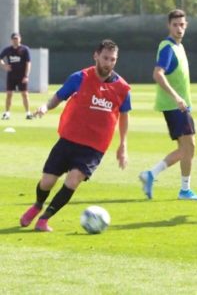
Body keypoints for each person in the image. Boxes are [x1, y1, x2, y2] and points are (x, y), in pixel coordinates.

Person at [19, 39, 131, 232]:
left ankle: (44, 219)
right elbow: (58, 96)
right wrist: (45, 107)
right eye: (105, 58)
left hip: (94, 147)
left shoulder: (122, 89)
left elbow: (124, 116)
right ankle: (37, 205)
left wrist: (123, 145)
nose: (108, 63)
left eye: (113, 59)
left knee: (73, 180)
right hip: (69, 139)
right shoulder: (79, 77)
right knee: (47, 182)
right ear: (96, 55)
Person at [139, 9, 197, 201]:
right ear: (169, 26)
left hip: (180, 105)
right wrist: (177, 97)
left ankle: (155, 177)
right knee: (189, 146)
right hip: (175, 105)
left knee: (186, 148)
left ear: (186, 25)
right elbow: (157, 73)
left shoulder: (178, 46)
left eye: (182, 24)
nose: (179, 28)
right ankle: (172, 184)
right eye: (175, 25)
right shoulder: (167, 46)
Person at [0, 32, 32, 120]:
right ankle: (7, 113)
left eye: (17, 38)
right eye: (14, 39)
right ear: (11, 40)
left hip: (22, 76)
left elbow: (28, 63)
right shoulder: (8, 50)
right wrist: (4, 66)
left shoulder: (25, 49)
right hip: (11, 76)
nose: (15, 40)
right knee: (9, 94)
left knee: (25, 94)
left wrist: (26, 76)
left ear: (20, 39)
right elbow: (0, 59)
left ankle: (28, 113)